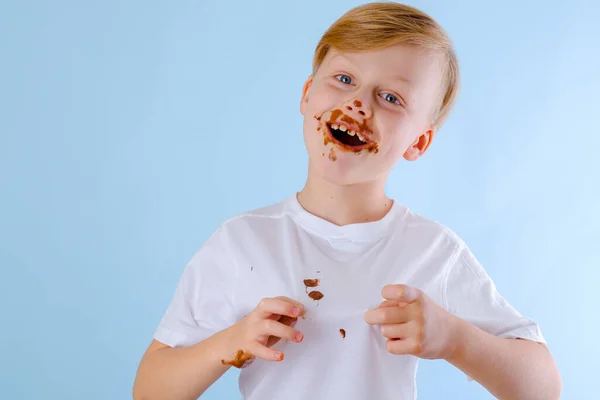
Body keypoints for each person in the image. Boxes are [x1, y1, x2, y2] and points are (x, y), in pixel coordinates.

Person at [133, 3, 561, 399]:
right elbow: (149, 389)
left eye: (390, 98)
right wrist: (230, 343)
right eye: (344, 79)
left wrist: (453, 338)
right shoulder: (241, 242)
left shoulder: (432, 251)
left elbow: (543, 388)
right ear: (306, 94)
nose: (357, 104)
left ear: (419, 141)